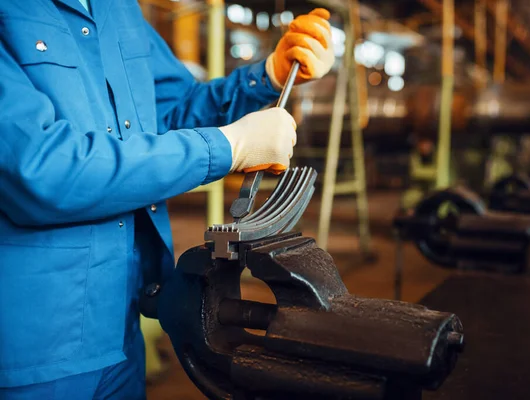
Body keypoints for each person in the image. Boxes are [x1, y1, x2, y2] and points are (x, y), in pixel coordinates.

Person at [0, 1, 334, 398]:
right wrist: (229, 146)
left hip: (124, 324)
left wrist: (268, 75)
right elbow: (40, 168)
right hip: (34, 350)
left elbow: (171, 111)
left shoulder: (117, 10)